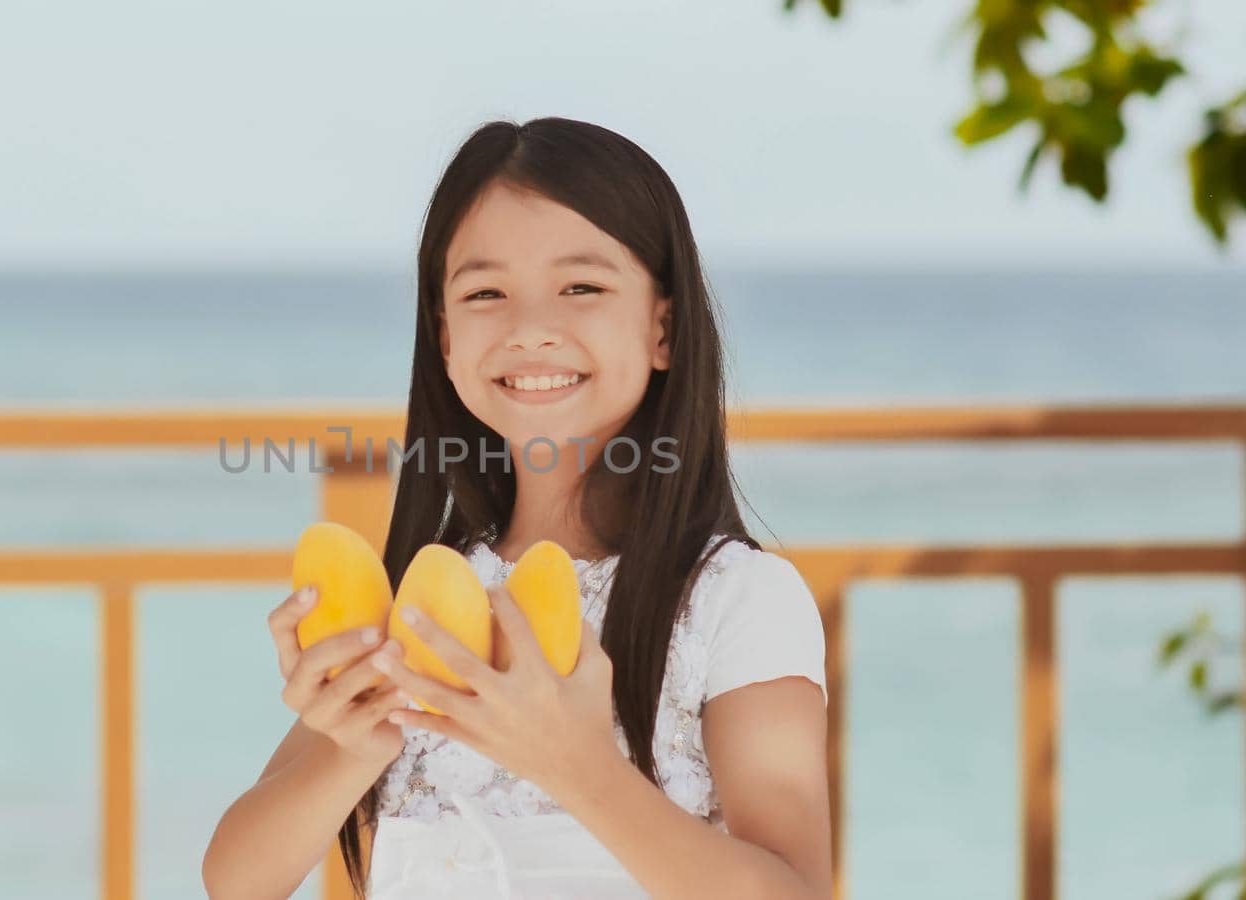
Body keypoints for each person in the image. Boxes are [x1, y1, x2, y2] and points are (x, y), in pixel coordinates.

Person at [203, 116, 831, 899]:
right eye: (485, 293)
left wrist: (576, 766)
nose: (532, 329)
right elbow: (235, 880)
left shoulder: (738, 599)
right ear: (444, 338)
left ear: (663, 327)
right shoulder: (422, 599)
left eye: (582, 287)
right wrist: (352, 741)